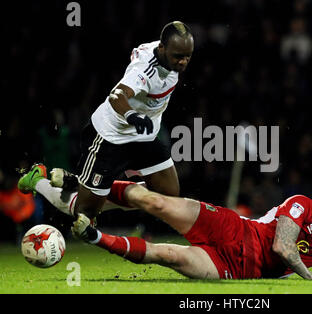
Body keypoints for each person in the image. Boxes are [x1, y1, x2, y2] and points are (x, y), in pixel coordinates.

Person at [18, 165, 312, 280]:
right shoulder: (303, 204)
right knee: (154, 200)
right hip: (231, 228)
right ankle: (74, 182)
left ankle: (92, 235)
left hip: (233, 271)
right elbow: (282, 248)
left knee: (166, 256)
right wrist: (310, 278)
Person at [19, 21, 194, 222]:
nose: (183, 62)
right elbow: (117, 95)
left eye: (188, 56)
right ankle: (38, 181)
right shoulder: (145, 69)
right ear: (162, 48)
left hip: (143, 137)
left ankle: (81, 184)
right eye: (178, 56)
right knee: (84, 213)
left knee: (168, 195)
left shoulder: (169, 50)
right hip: (111, 137)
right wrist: (132, 115)